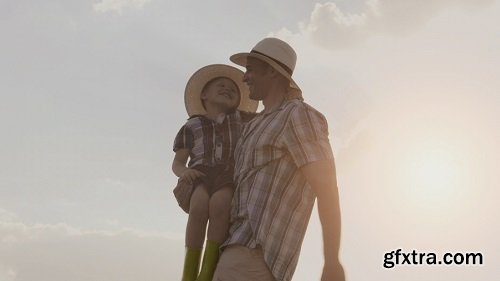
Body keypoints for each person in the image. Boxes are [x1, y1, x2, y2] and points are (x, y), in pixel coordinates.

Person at [212, 38, 346, 281]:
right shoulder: (252, 126)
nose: (245, 78)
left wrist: (332, 260)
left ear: (272, 71)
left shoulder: (298, 114)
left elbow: (326, 187)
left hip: (257, 255)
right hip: (232, 250)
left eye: (250, 70)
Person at [172, 64, 258, 281]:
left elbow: (269, 115)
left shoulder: (243, 119)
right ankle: (189, 271)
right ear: (204, 94)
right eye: (220, 85)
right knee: (199, 206)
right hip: (198, 175)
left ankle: (207, 270)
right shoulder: (192, 126)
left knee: (220, 204)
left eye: (233, 89)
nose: (227, 89)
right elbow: (178, 162)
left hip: (228, 175)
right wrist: (184, 173)